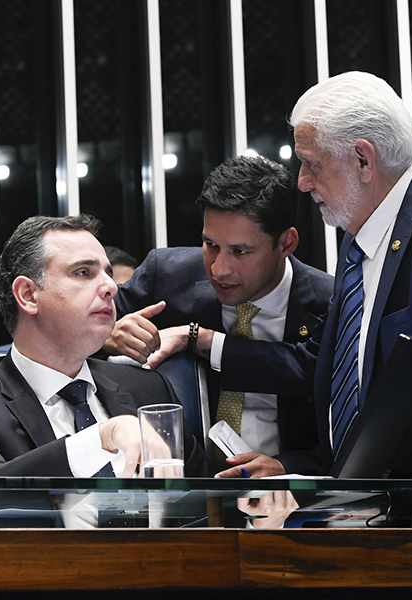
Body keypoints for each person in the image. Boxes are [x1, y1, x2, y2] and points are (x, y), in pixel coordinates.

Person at [216, 71, 412, 477]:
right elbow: (351, 389)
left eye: (311, 163)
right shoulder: (361, 231)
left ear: (364, 159)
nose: (302, 182)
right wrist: (293, 468)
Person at [0, 214, 207, 477]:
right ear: (28, 295)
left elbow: (204, 503)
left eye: (107, 273)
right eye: (84, 272)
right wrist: (100, 438)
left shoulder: (149, 389)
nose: (111, 287)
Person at [105, 156, 332, 470]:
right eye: (210, 244)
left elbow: (347, 427)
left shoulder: (329, 302)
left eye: (240, 251)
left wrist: (286, 467)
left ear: (285, 243)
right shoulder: (168, 276)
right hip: (183, 494)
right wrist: (108, 334)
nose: (219, 269)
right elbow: (79, 327)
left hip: (290, 502)